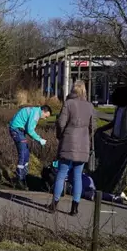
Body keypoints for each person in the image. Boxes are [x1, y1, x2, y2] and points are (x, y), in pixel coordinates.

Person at [49, 80, 96, 215]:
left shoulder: (68, 104)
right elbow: (93, 126)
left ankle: (54, 204)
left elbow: (61, 123)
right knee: (78, 176)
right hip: (83, 144)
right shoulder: (90, 106)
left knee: (61, 174)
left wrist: (60, 136)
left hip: (68, 141)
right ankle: (75, 207)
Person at [97, 85, 127, 202]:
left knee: (124, 166)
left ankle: (123, 188)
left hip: (125, 140)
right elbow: (114, 122)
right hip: (116, 139)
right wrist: (102, 129)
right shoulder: (119, 107)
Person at [8, 104, 52, 190]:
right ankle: (19, 180)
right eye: (46, 116)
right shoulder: (36, 114)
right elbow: (30, 130)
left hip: (19, 130)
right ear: (43, 111)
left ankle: (24, 177)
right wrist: (39, 139)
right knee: (23, 154)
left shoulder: (35, 110)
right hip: (16, 129)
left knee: (26, 153)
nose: (45, 118)